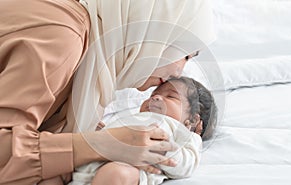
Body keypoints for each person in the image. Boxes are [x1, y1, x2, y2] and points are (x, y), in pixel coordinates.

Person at [0, 0, 215, 184]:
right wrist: (98, 145)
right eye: (185, 55)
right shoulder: (64, 39)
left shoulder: (88, 73)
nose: (179, 71)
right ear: (154, 30)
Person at [69, 76, 217, 185]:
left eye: (171, 96)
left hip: (131, 169)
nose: (156, 97)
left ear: (192, 121)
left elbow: (188, 164)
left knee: (116, 173)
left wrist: (161, 148)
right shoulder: (132, 117)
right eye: (152, 95)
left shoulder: (184, 132)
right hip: (88, 164)